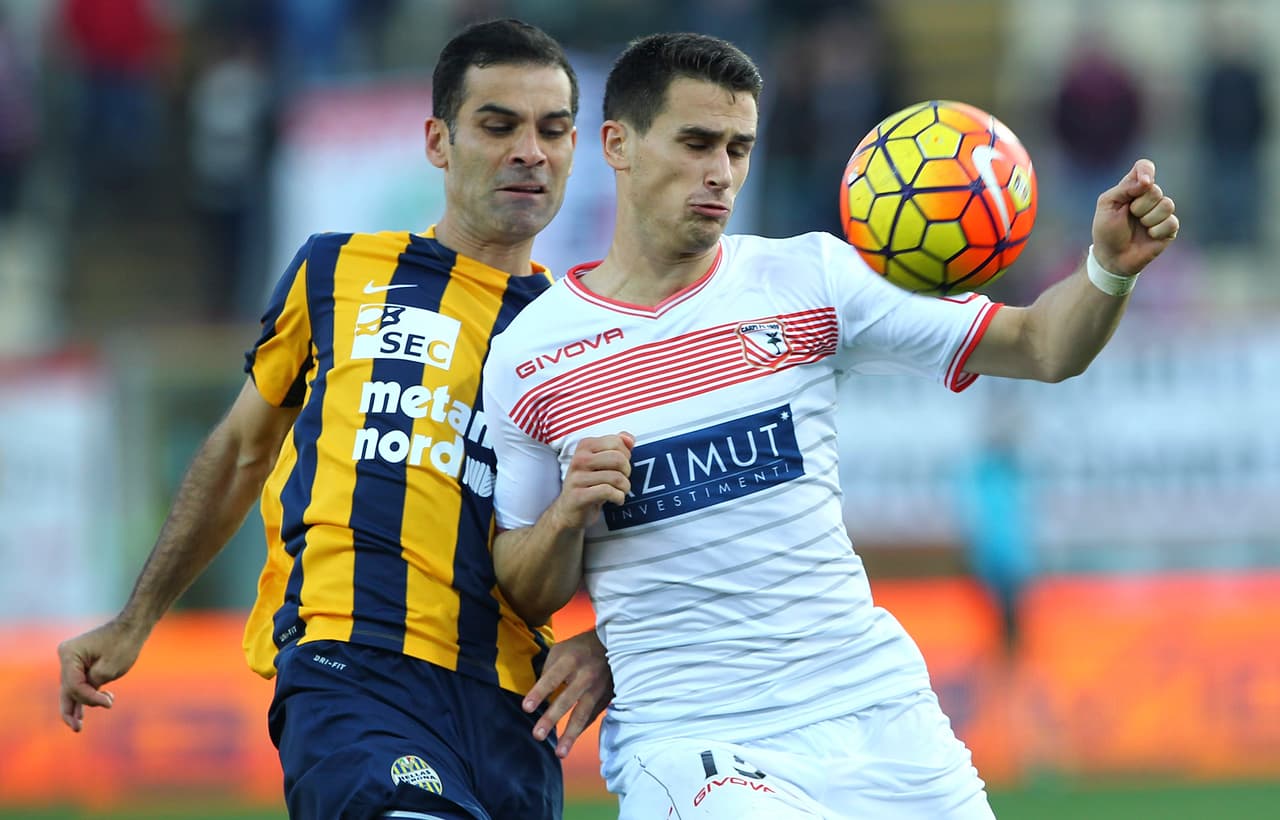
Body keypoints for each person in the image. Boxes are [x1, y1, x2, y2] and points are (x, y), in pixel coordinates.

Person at [482, 32, 1178, 819]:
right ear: (618, 144)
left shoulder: (808, 277)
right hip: (694, 738)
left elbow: (1043, 345)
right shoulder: (532, 355)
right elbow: (523, 586)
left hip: (877, 709)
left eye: (740, 147)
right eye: (697, 142)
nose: (722, 172)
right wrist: (570, 512)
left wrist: (1108, 268)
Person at [57, 19, 612, 820]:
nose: (531, 150)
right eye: (498, 125)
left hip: (514, 712)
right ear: (438, 140)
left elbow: (652, 536)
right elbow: (244, 449)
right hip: (352, 673)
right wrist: (136, 620)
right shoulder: (339, 269)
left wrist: (604, 647)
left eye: (552, 129)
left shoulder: (587, 333)